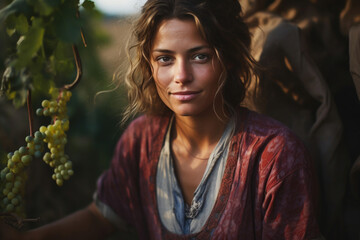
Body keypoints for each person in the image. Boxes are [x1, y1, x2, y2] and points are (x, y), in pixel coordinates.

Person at [1, 0, 322, 239]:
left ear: (230, 60)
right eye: (165, 59)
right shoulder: (142, 140)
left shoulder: (274, 157)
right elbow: (103, 216)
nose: (181, 76)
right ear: (149, 66)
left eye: (200, 56)